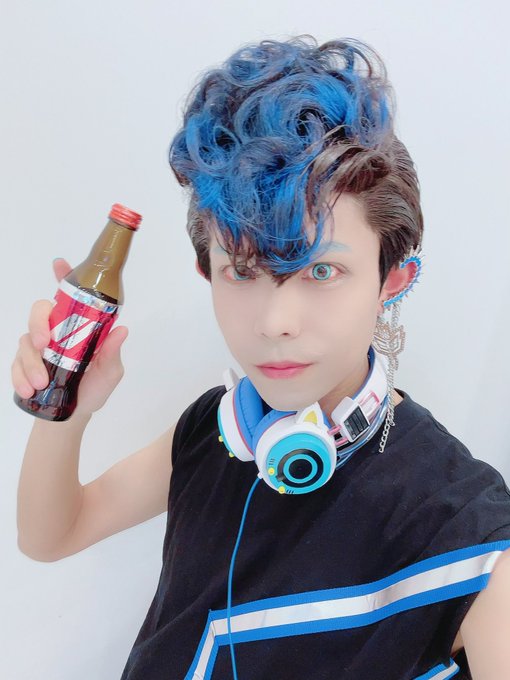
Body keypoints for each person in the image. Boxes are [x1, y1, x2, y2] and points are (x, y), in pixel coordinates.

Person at [13, 35, 510, 680]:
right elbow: (49, 537)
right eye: (243, 272)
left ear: (392, 279)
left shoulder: (469, 534)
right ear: (207, 271)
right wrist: (66, 411)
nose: (275, 323)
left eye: (322, 271)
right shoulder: (213, 429)